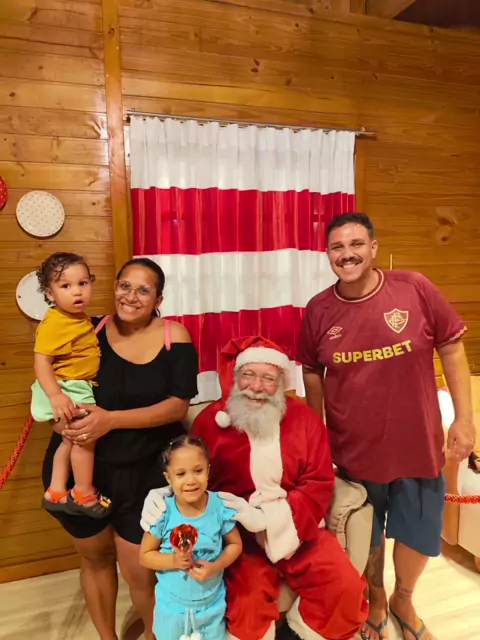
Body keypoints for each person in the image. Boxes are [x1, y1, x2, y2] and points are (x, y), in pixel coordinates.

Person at [297, 212, 476, 640]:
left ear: (374, 248)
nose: (347, 254)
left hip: (418, 444)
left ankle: (404, 600)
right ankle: (375, 600)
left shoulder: (414, 287)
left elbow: (452, 346)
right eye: (337, 247)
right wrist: (317, 434)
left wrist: (464, 420)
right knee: (367, 533)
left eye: (356, 244)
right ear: (328, 255)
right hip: (354, 450)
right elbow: (311, 370)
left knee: (418, 530)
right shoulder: (319, 309)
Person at [142, 336, 369, 640]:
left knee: (345, 587)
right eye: (248, 374)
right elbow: (191, 475)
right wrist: (168, 494)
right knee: (247, 608)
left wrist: (271, 519)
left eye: (268, 378)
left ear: (281, 382)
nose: (256, 386)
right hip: (239, 537)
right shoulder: (210, 423)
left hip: (299, 528)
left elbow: (318, 481)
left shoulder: (304, 419)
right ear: (235, 376)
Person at [41, 257, 199, 640]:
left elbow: (177, 406)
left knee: (140, 571)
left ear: (158, 298)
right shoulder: (86, 330)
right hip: (85, 470)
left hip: (145, 473)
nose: (131, 296)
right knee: (95, 559)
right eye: (124, 286)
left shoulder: (174, 336)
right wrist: (58, 418)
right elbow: (53, 385)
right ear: (114, 287)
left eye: (143, 290)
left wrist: (110, 419)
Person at [140, 435, 243, 640]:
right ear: (168, 478)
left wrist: (215, 566)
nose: (191, 480)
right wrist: (173, 560)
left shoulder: (219, 507)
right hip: (172, 609)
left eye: (198, 471)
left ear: (208, 471)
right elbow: (145, 556)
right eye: (181, 474)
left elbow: (235, 544)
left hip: (211, 607)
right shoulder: (162, 512)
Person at [33, 252, 110, 517]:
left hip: (75, 386)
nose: (77, 292)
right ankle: (83, 493)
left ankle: (56, 491)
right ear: (50, 293)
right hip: (66, 388)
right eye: (65, 286)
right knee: (85, 438)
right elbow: (42, 361)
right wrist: (56, 396)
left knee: (69, 440)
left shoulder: (74, 317)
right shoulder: (55, 323)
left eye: (83, 283)